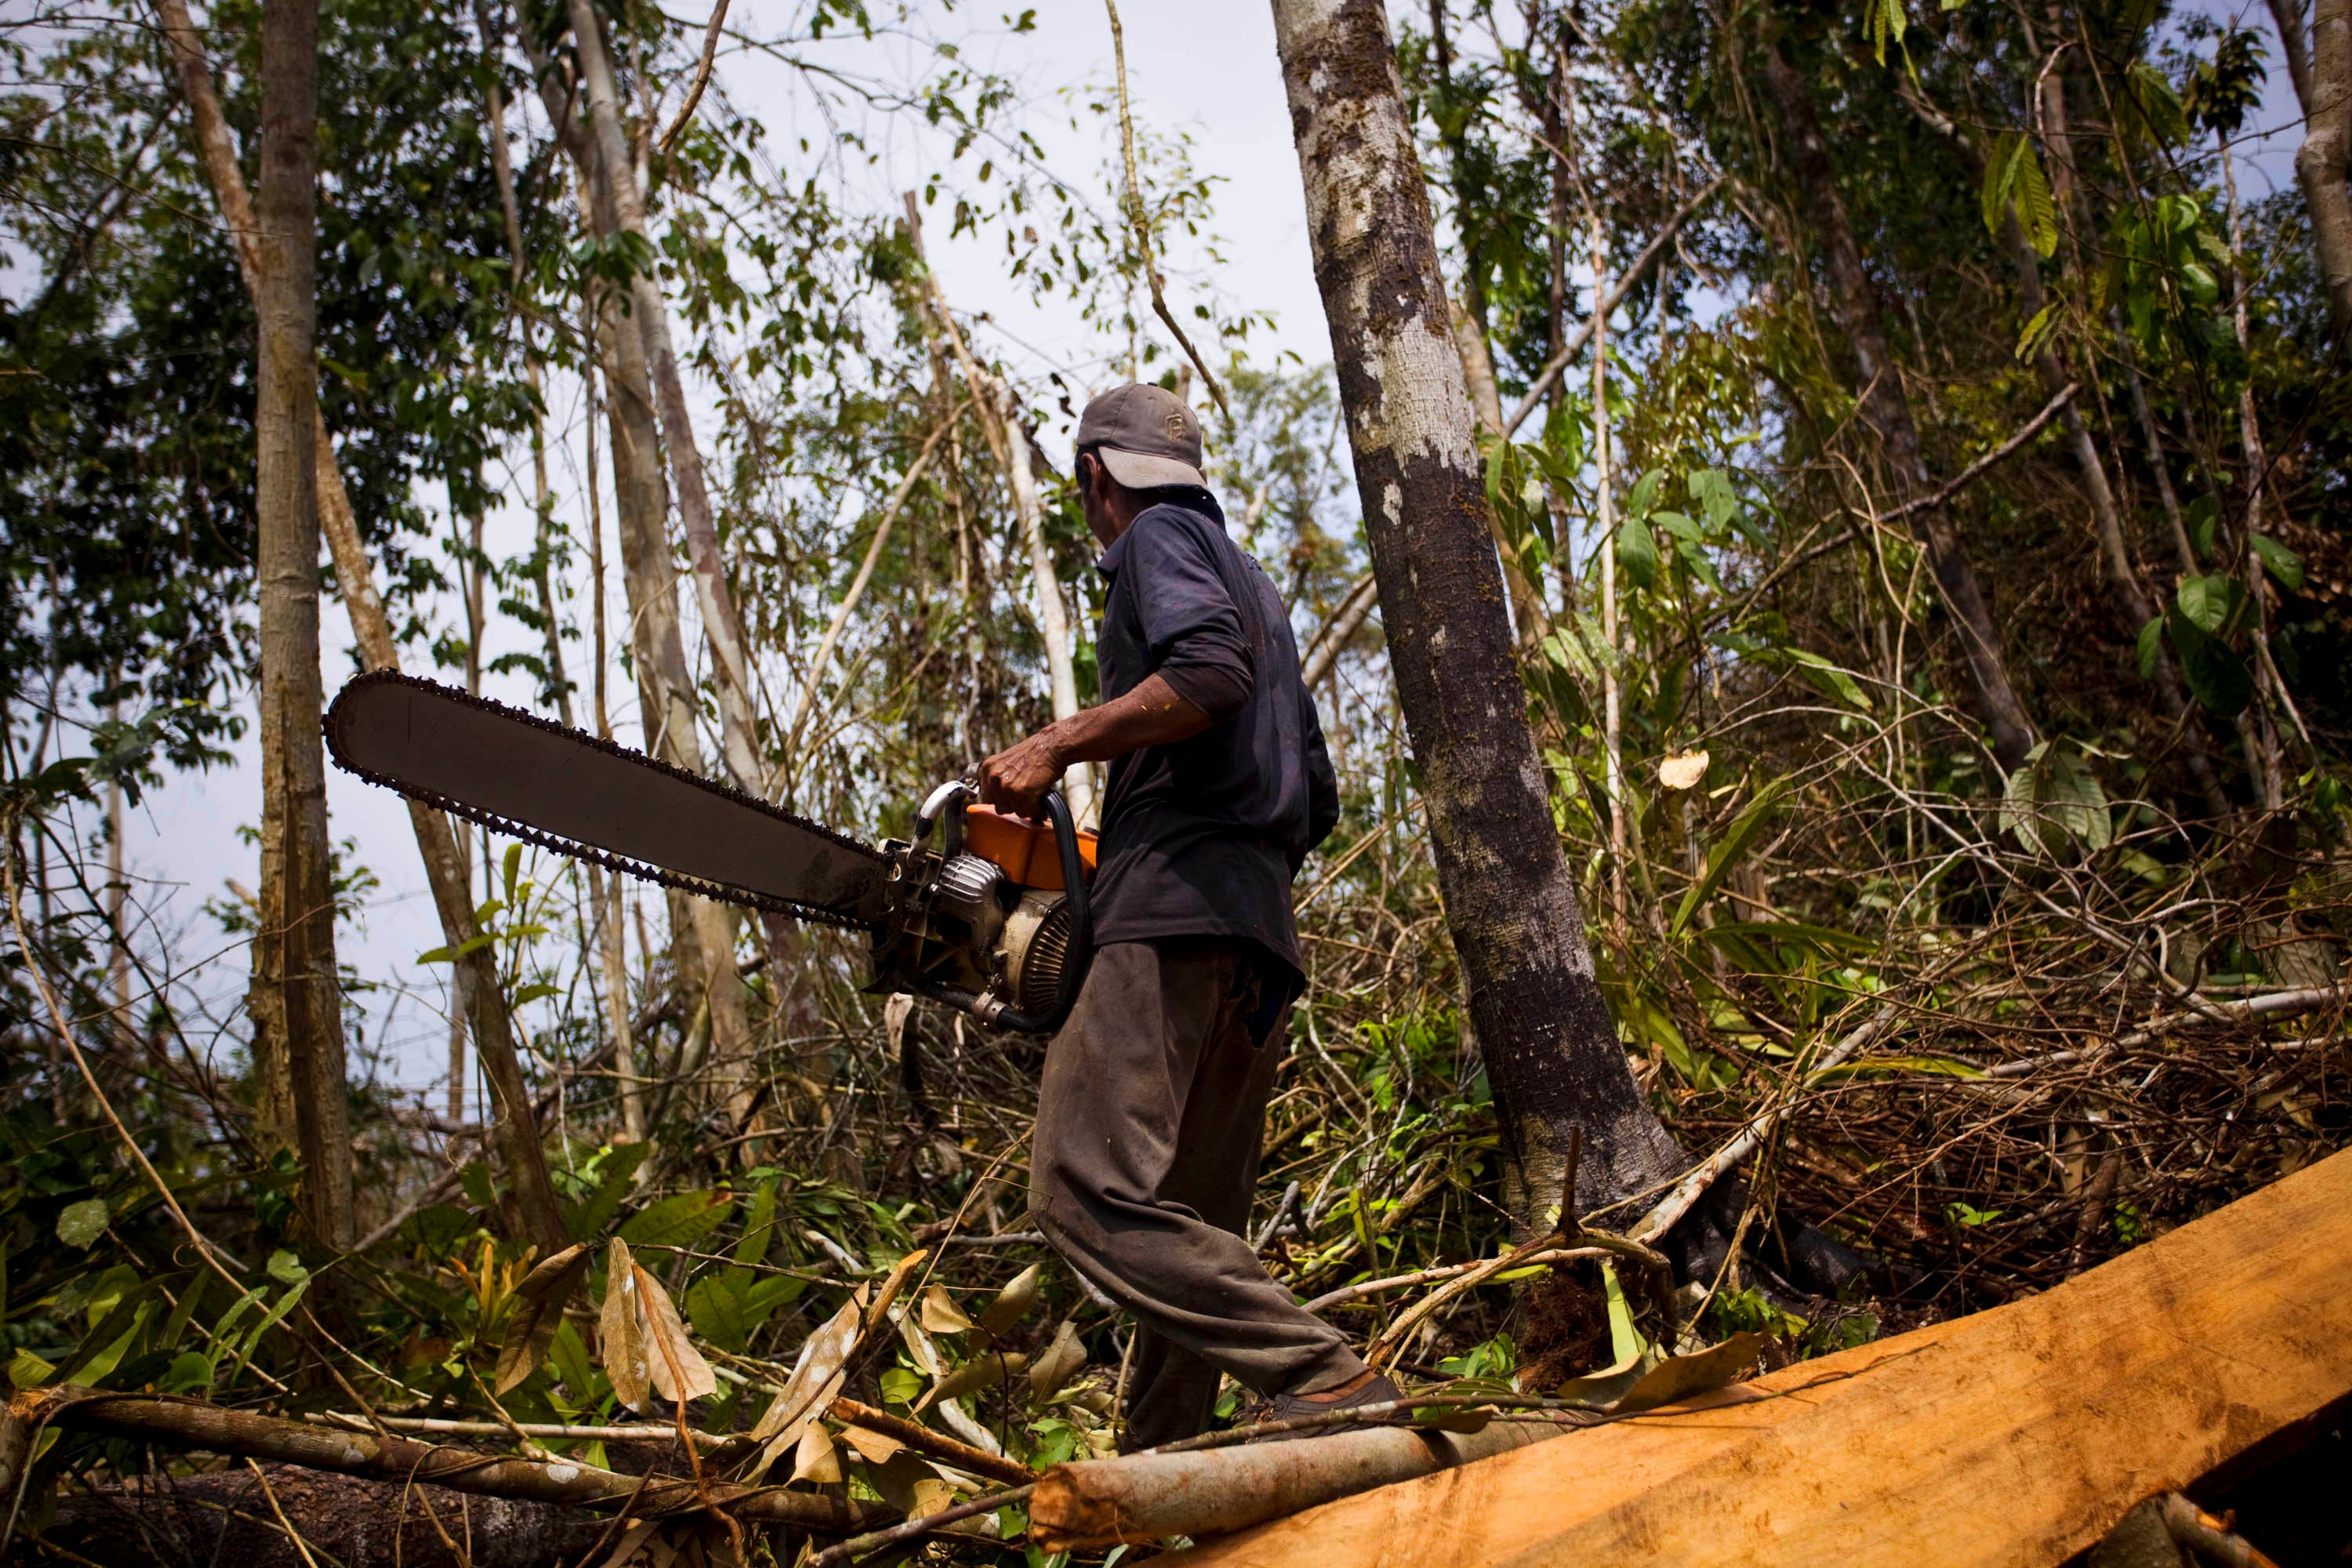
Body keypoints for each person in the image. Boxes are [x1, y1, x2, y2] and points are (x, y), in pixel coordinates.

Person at [978, 383, 1402, 1450]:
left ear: (1095, 482)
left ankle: (1326, 1375)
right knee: (1192, 1227)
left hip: (1171, 916)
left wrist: (1055, 745)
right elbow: (1319, 791)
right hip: (1256, 942)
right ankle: (1172, 1470)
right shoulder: (1255, 582)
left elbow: (1205, 674)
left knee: (1084, 1185)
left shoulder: (1156, 539)